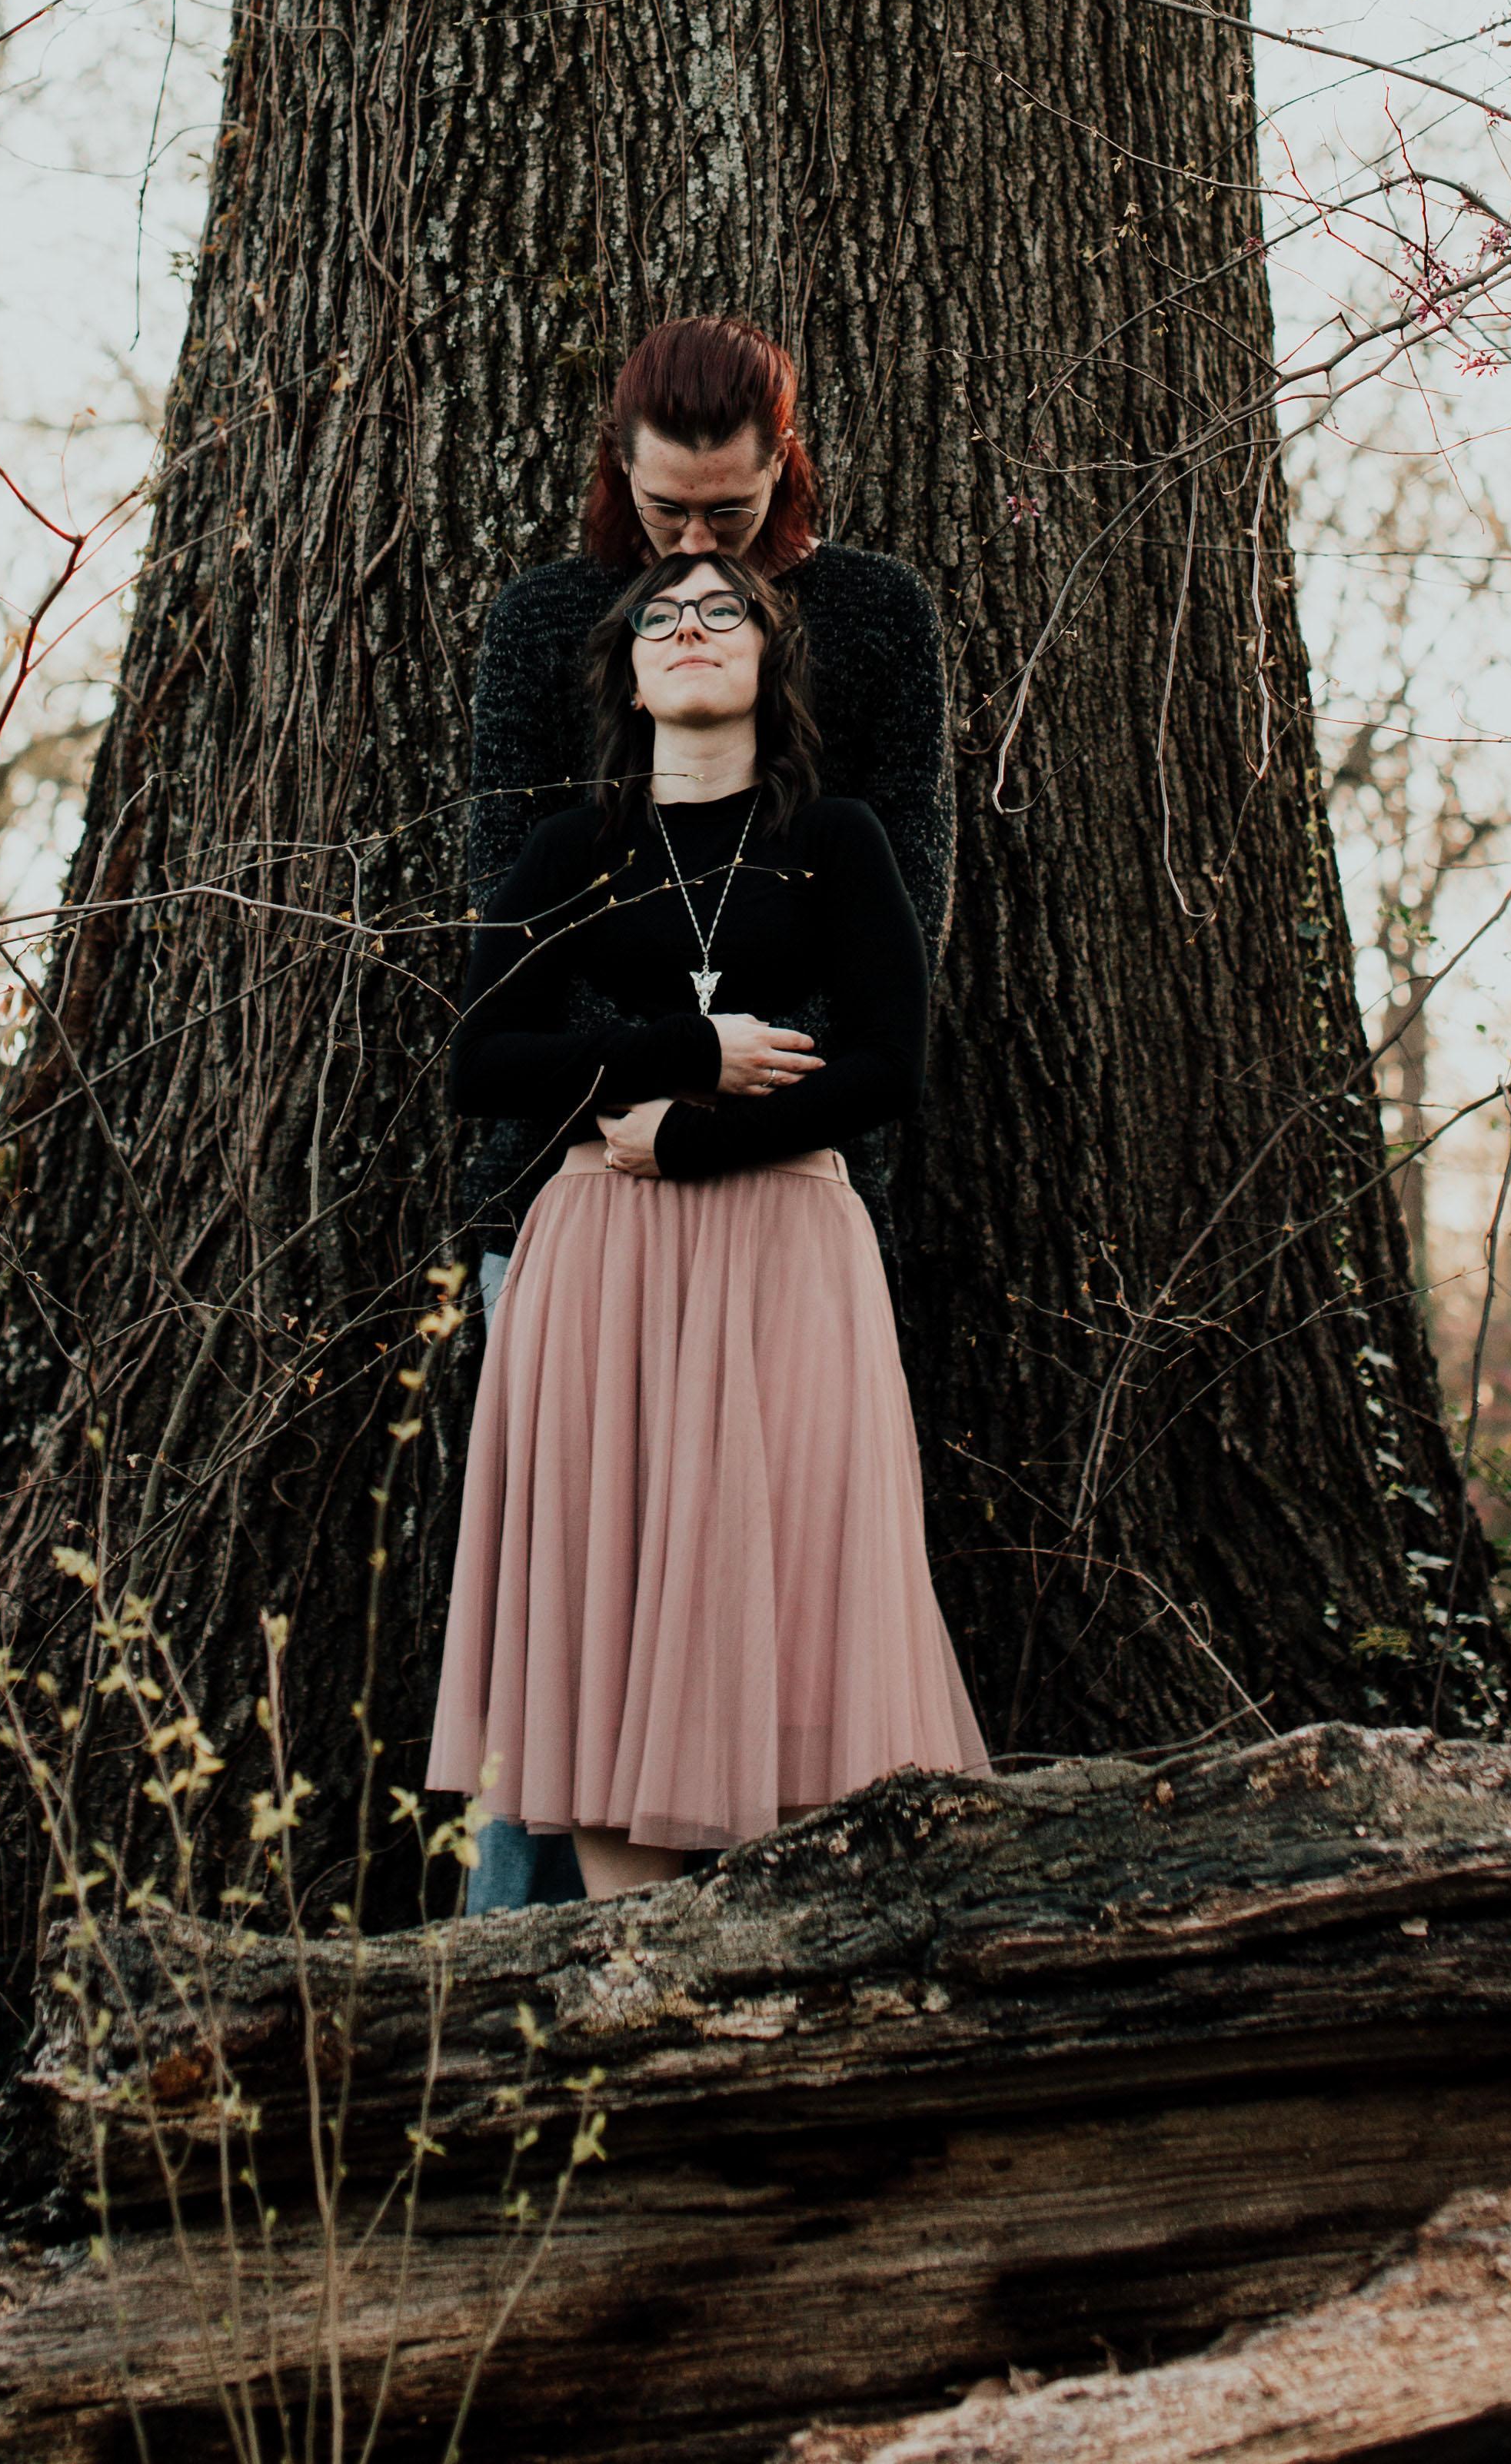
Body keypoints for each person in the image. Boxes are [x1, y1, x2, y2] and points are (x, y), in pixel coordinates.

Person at [452, 316, 954, 1905]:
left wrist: (724, 1115)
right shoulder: (553, 626)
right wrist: (660, 1070)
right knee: (582, 1638)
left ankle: (788, 1975)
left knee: (783, 1620)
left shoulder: (869, 625)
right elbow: (499, 964)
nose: (690, 551)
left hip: (786, 1205)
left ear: (782, 475)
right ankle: (536, 2012)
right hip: (581, 1201)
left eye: (726, 520)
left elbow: (893, 971)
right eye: (665, 515)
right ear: (619, 476)